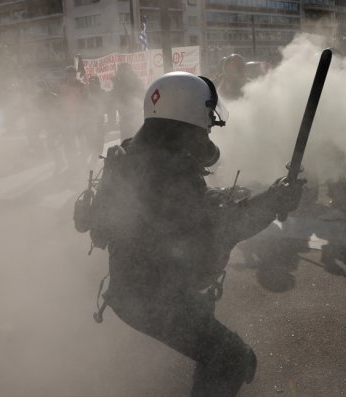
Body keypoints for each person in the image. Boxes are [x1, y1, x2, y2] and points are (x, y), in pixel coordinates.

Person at [96, 72, 304, 396]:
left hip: (136, 286)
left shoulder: (136, 152)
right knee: (232, 358)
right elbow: (218, 228)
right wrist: (271, 202)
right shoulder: (166, 167)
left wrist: (233, 197)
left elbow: (176, 210)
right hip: (153, 297)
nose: (208, 126)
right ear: (188, 113)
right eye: (206, 116)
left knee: (207, 341)